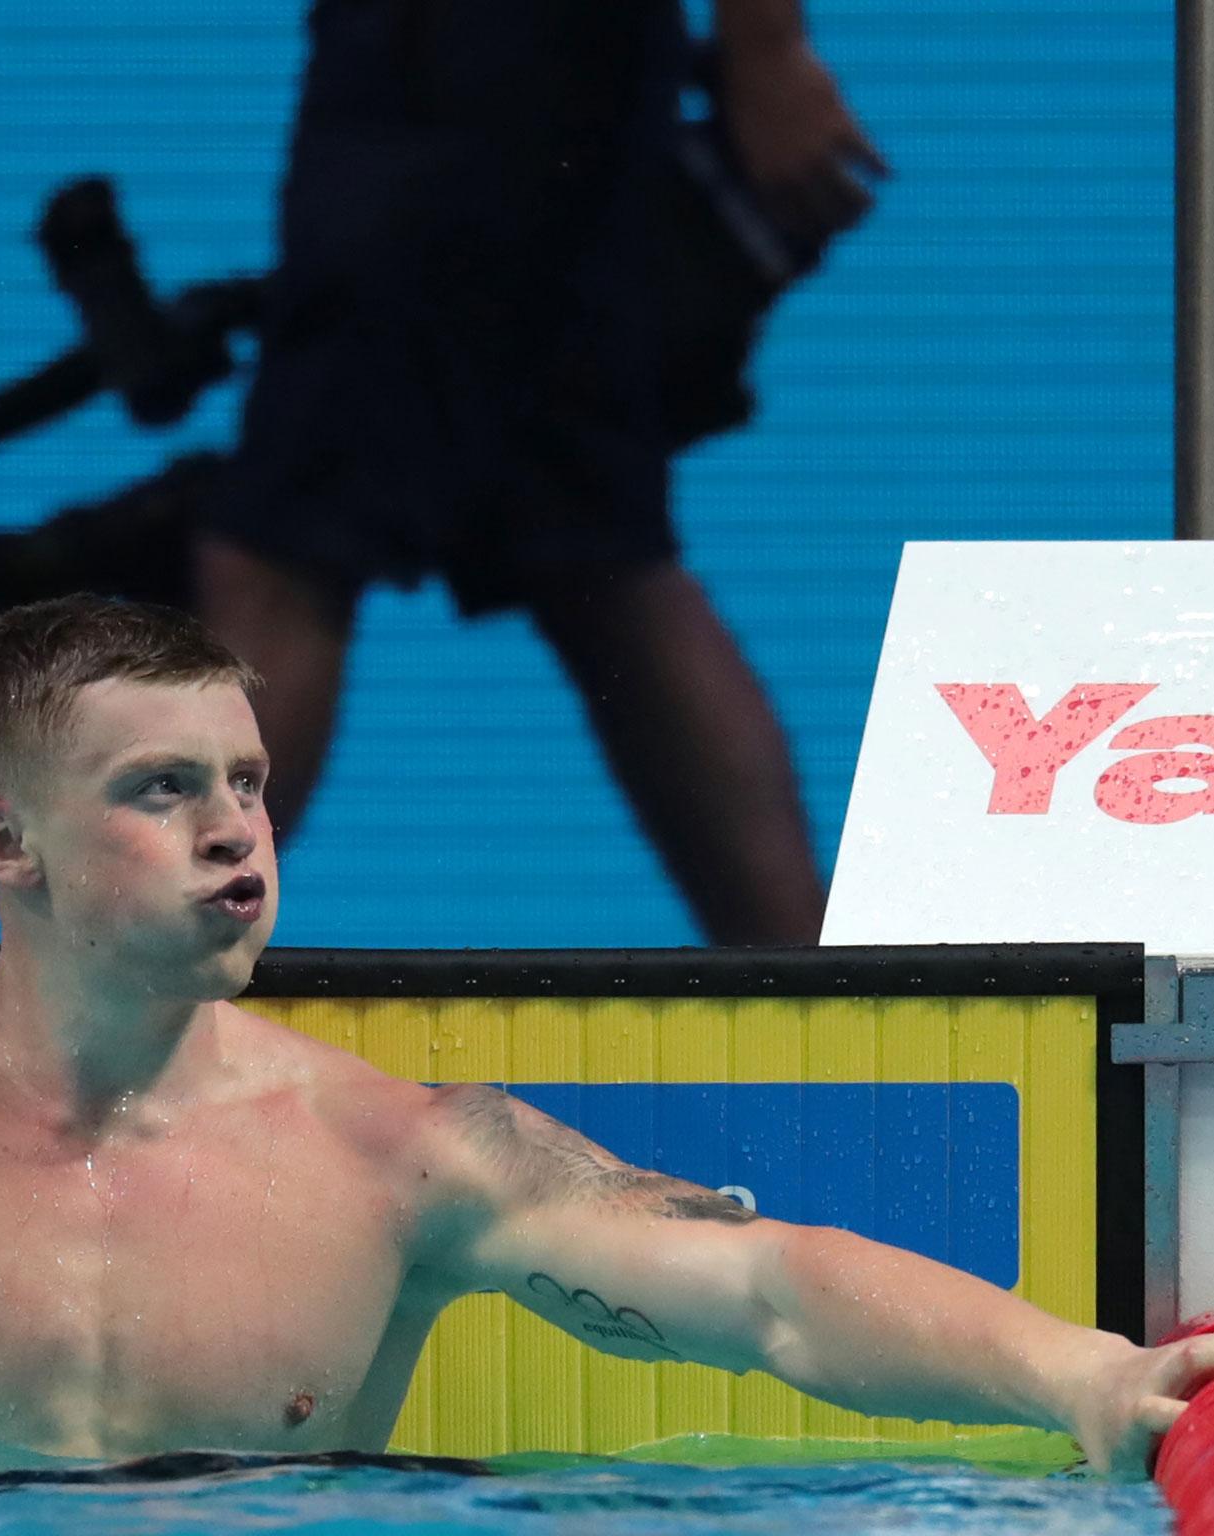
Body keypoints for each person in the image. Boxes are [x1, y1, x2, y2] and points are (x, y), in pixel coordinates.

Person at [0, 185, 1214, 1478]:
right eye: (161, 789)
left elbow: (769, 1290)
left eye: (247, 784)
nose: (234, 832)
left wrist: (1080, 1382)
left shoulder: (398, 1160)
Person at [195, 0, 883, 945]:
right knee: (597, 555)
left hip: (478, 80)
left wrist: (765, 45)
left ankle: (151, 981)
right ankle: (823, 998)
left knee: (286, 556)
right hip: (471, 76)